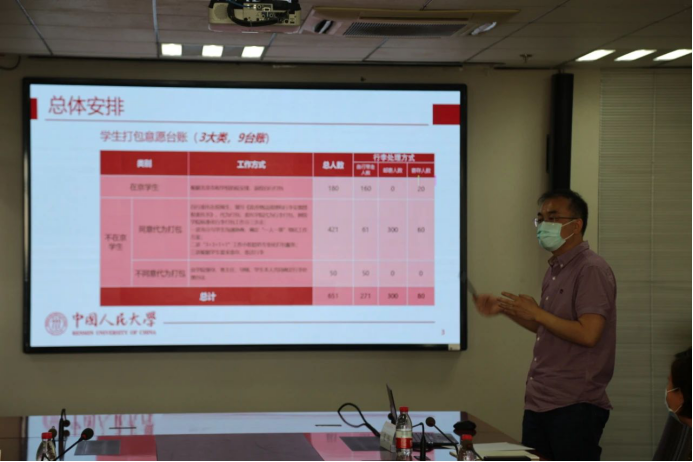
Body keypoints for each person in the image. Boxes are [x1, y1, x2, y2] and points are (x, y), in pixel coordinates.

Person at [475, 189, 617, 461]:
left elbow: (589, 334)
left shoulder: (591, 269)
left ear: (576, 225)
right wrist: (505, 309)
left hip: (574, 404)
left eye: (552, 217)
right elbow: (551, 327)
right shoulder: (555, 270)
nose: (543, 225)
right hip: (540, 400)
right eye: (540, 218)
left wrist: (538, 313)